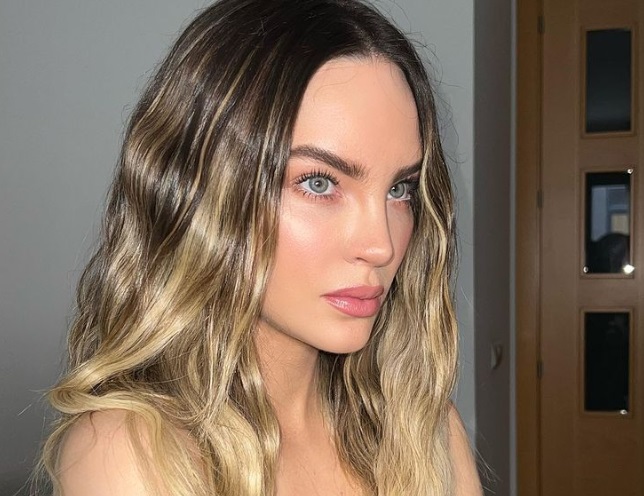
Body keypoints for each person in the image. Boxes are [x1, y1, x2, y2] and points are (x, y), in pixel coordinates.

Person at [38, 0, 482, 494]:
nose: (380, 246)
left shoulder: (424, 432)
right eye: (318, 183)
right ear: (204, 191)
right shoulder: (133, 451)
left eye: (400, 189)